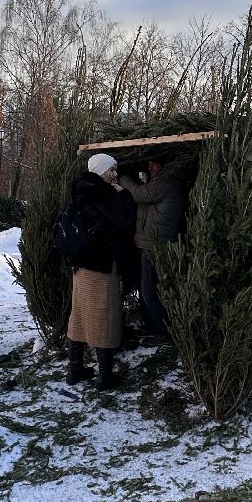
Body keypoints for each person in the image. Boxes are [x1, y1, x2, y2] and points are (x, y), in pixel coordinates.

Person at [64, 153, 136, 389]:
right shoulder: (103, 193)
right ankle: (105, 376)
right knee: (103, 316)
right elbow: (125, 219)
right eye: (111, 170)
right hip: (101, 264)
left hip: (81, 263)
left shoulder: (81, 189)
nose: (115, 175)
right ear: (100, 170)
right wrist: (123, 194)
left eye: (116, 170)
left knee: (80, 315)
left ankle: (75, 369)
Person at [117, 156, 187, 346]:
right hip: (148, 242)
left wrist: (123, 178)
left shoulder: (167, 182)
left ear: (164, 166)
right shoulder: (160, 182)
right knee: (146, 288)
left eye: (154, 164)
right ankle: (152, 326)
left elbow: (140, 194)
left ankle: (164, 332)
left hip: (155, 244)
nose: (150, 167)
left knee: (149, 291)